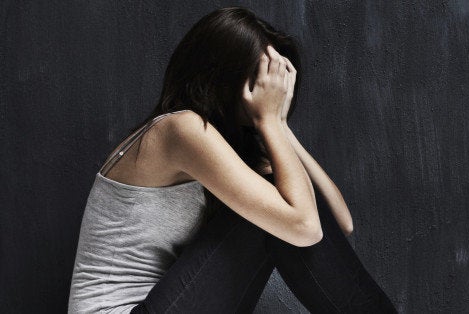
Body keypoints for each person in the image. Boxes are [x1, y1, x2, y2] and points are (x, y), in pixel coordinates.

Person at [68, 6, 397, 313]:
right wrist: (269, 122)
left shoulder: (222, 145)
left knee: (286, 206)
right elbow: (305, 228)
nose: (272, 91)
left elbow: (339, 224)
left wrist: (279, 125)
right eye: (264, 80)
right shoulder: (180, 129)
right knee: (283, 214)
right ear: (224, 78)